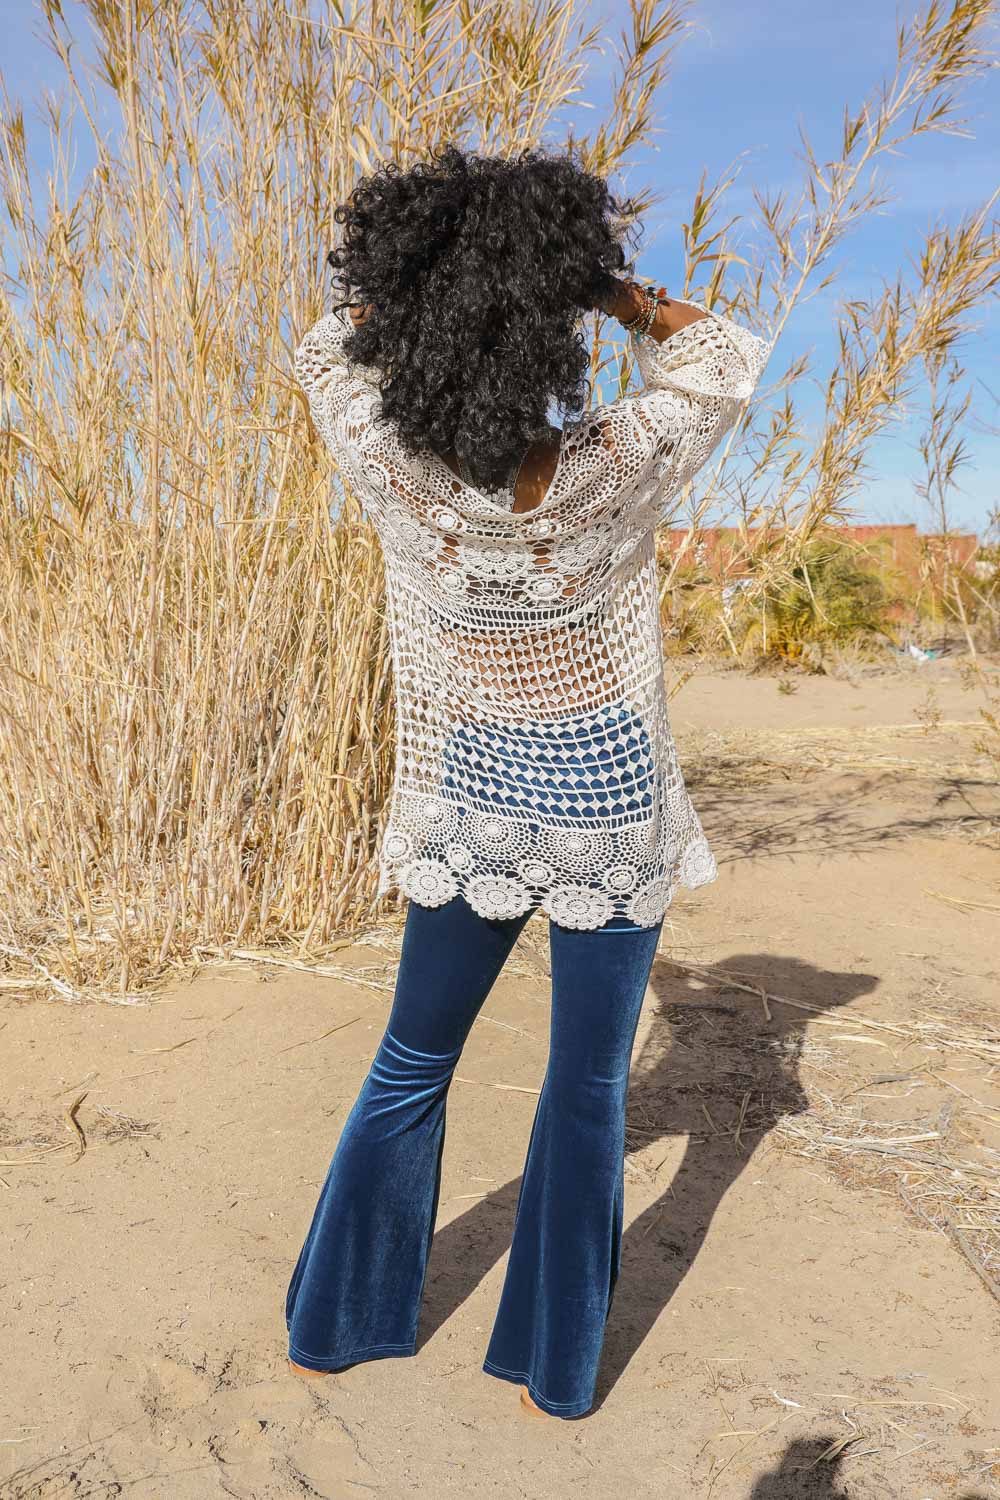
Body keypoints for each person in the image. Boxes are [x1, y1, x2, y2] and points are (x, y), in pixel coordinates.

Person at [285, 143, 769, 1420]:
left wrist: (420, 283)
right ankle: (550, 1374)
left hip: (476, 778)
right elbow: (719, 356)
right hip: (606, 788)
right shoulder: (610, 464)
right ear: (548, 326)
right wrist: (605, 287)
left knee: (411, 1058)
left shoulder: (391, 465)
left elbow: (326, 350)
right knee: (589, 1088)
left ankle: (335, 1327)